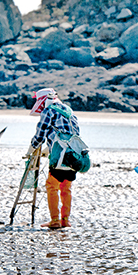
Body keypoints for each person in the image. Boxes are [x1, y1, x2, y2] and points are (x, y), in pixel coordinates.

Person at [26, 88, 80, 229]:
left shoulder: (48, 111)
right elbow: (72, 132)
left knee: (52, 186)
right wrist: (47, 149)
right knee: (66, 187)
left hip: (59, 155)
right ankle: (65, 220)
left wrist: (31, 148)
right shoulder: (68, 110)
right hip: (74, 155)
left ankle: (55, 220)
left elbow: (40, 134)